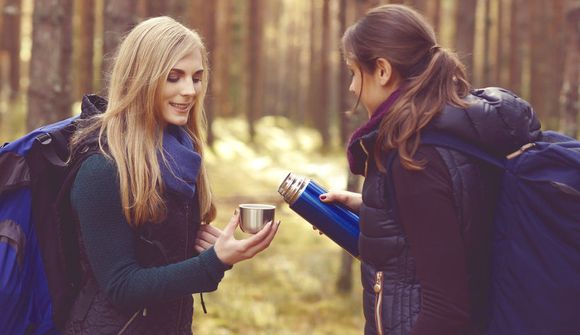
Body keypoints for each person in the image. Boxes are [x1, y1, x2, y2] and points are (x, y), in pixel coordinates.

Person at [320, 5, 540, 335]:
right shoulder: (449, 131)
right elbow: (457, 222)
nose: (352, 87)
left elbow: (446, 310)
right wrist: (369, 206)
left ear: (382, 70)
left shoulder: (415, 156)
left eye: (354, 72)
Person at [64, 16, 279, 334]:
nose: (190, 90)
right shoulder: (101, 167)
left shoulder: (178, 154)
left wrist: (198, 247)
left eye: (196, 77)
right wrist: (213, 261)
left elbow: (154, 252)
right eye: (174, 77)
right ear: (141, 78)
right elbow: (121, 286)